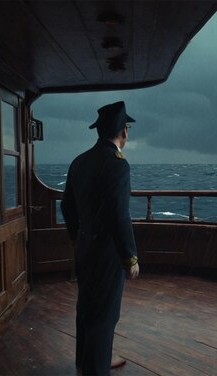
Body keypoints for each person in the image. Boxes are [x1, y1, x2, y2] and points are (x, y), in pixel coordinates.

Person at [61, 101, 140, 375]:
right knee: (105, 314)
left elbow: (66, 208)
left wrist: (79, 238)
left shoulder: (79, 161)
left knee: (86, 308)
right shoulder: (118, 165)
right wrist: (130, 257)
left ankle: (87, 361)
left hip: (84, 248)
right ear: (123, 132)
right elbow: (120, 215)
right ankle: (96, 368)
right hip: (107, 254)